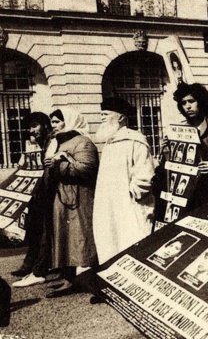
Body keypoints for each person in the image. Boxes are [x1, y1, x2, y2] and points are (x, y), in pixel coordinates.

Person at [93, 98, 155, 266]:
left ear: (120, 118)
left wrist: (130, 195)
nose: (102, 118)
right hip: (108, 205)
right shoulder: (110, 142)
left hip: (129, 205)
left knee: (131, 244)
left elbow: (144, 173)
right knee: (110, 244)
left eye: (105, 114)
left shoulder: (135, 140)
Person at [45, 108, 99, 298]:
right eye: (52, 122)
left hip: (79, 197)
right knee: (65, 237)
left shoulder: (83, 142)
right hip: (63, 195)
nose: (54, 125)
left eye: (57, 121)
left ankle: (88, 279)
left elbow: (87, 169)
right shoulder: (59, 142)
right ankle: (70, 278)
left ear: (69, 121)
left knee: (81, 237)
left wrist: (62, 163)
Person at [162, 83, 208, 205]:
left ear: (201, 102)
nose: (187, 106)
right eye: (183, 103)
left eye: (191, 101)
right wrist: (167, 149)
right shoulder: (180, 128)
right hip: (189, 192)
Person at [12, 113, 54, 288]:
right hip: (35, 194)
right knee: (35, 230)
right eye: (30, 127)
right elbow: (25, 164)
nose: (32, 130)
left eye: (35, 126)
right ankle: (30, 264)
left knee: (45, 231)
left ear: (44, 125)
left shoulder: (51, 141)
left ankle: (39, 269)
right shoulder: (31, 144)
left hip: (48, 193)